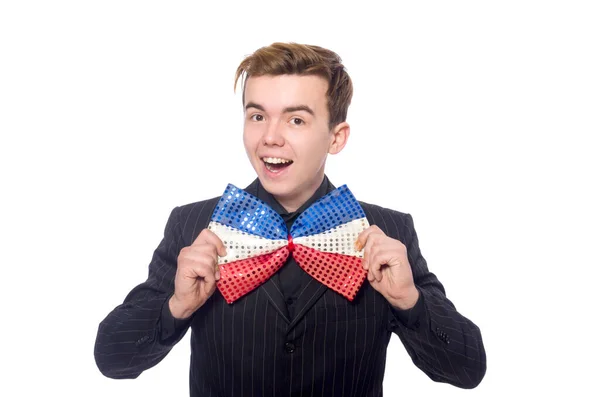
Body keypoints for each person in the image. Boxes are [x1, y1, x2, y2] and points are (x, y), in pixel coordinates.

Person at [94, 42, 486, 396]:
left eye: (296, 120)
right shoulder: (193, 225)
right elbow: (112, 358)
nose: (270, 137)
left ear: (337, 137)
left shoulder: (389, 233)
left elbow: (467, 369)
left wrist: (409, 301)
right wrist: (177, 306)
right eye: (257, 116)